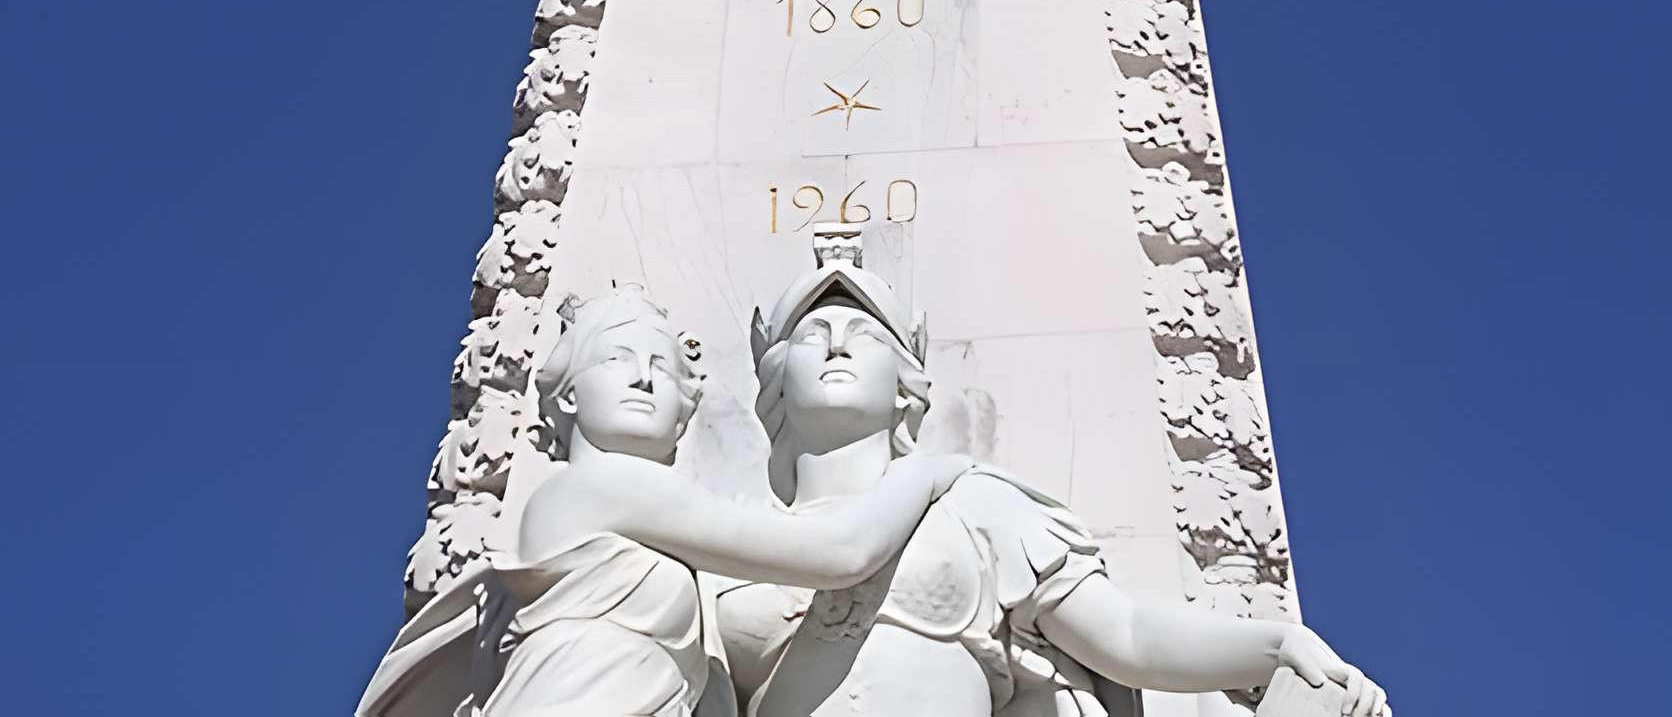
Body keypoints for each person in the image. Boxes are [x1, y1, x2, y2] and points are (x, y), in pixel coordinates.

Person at [715, 252, 1390, 717]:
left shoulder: (973, 506)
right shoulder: (718, 542)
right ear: (774, 381)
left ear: (904, 388)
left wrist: (1274, 645)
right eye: (814, 336)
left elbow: (1125, 636)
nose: (836, 346)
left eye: (863, 335)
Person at [354, 283, 970, 717]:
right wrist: (930, 476)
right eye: (615, 360)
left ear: (685, 409)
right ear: (567, 397)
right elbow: (839, 553)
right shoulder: (596, 490)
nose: (644, 378)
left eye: (661, 366)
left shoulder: (656, 532)